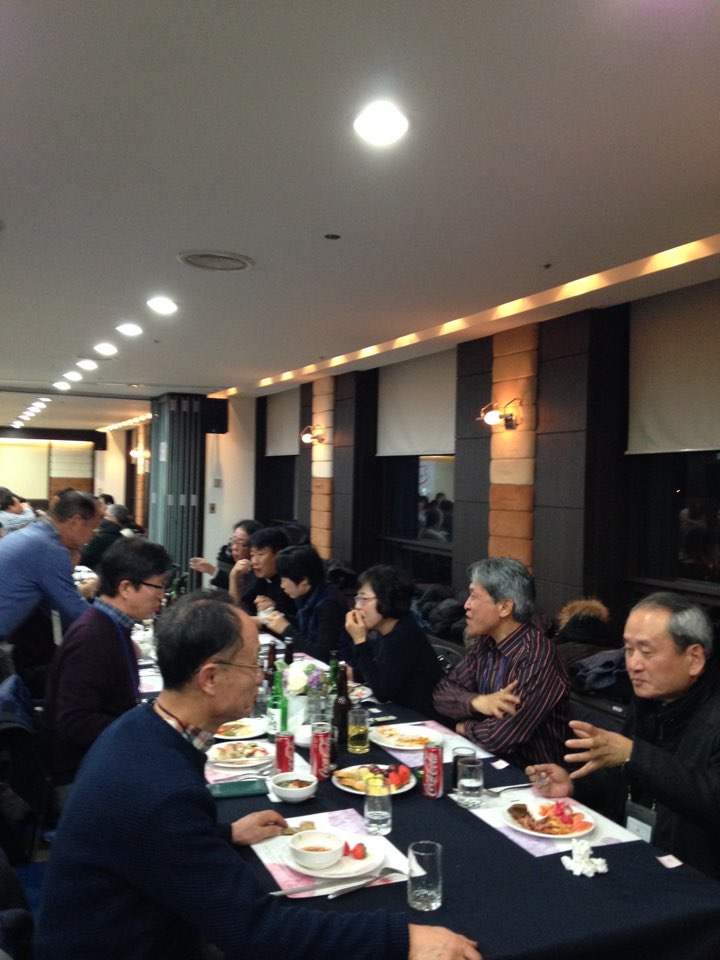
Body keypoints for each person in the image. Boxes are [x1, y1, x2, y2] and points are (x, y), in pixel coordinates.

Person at [35, 592, 481, 960]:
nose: (261, 679)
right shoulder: (160, 791)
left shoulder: (140, 727)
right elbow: (258, 934)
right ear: (210, 678)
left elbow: (151, 843)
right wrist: (402, 940)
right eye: (253, 665)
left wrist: (222, 834)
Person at [526, 592, 720, 879]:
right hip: (636, 855)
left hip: (698, 880)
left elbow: (710, 797)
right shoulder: (649, 702)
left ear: (694, 659)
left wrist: (634, 756)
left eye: (647, 652)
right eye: (628, 650)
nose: (633, 664)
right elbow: (621, 779)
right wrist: (573, 786)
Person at [43, 537, 172, 795]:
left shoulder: (109, 625)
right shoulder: (92, 637)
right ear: (126, 588)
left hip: (103, 757)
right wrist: (141, 728)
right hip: (81, 775)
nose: (162, 595)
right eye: (157, 586)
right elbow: (74, 722)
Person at [433, 557, 569, 767]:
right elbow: (441, 695)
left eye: (474, 596)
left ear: (504, 607)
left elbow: (501, 738)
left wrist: (462, 726)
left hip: (531, 777)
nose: (466, 605)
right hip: (483, 761)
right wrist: (477, 702)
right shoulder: (486, 643)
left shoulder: (536, 657)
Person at [0, 490, 100, 642]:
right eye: (93, 528)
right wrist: (117, 631)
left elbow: (55, 604)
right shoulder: (50, 549)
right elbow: (75, 610)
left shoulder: (35, 533)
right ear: (75, 521)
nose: (92, 536)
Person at [346, 565, 444, 718]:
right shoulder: (385, 629)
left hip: (421, 719)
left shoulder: (405, 633)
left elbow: (383, 693)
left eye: (364, 599)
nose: (357, 606)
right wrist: (352, 672)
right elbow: (377, 673)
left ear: (387, 599)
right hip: (400, 712)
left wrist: (359, 641)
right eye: (357, 598)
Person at [265, 544, 352, 662]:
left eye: (285, 580)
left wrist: (286, 629)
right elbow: (302, 628)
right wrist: (274, 617)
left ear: (304, 580)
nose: (282, 585)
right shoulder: (307, 594)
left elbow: (322, 654)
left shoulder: (329, 604)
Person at [239, 526, 296, 626]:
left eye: (260, 554)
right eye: (252, 555)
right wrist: (233, 576)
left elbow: (297, 622)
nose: (254, 561)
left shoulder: (291, 581)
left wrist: (274, 609)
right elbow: (243, 606)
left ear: (278, 554)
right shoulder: (257, 577)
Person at [189, 519, 262, 592]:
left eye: (241, 543)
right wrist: (210, 569)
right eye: (234, 541)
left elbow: (241, 592)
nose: (234, 547)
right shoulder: (226, 555)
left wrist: (212, 570)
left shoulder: (260, 569)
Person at [79, 502, 136, 570]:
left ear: (114, 518)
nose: (103, 518)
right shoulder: (127, 536)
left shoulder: (101, 538)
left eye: (106, 515)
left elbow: (83, 558)